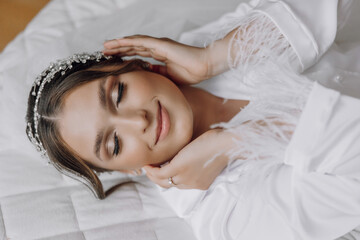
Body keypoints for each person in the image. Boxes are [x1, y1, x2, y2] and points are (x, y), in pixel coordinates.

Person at [26, 0, 360, 239]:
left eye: (119, 94)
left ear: (134, 63)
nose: (138, 120)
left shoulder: (200, 50)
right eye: (114, 143)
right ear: (128, 170)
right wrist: (236, 141)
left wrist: (214, 57)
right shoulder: (222, 215)